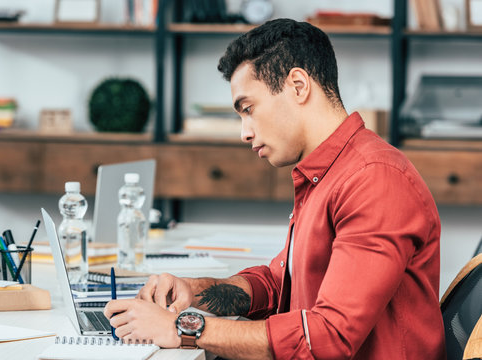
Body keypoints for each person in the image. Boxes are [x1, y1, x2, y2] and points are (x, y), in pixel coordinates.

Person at [104, 18, 446, 359]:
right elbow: (279, 282)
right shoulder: (326, 173)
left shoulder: (373, 179)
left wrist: (183, 328)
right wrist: (192, 292)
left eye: (248, 109)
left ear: (298, 85)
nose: (245, 133)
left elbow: (329, 338)